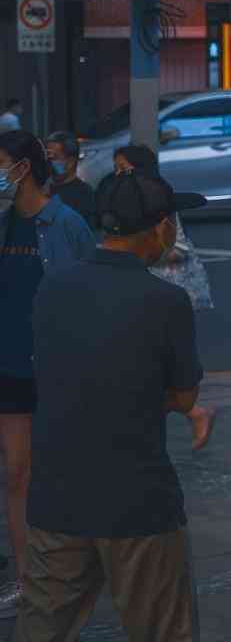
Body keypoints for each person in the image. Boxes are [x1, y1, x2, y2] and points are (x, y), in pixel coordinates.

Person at [20, 171, 204, 639]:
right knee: (162, 627)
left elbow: (56, 373)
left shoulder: (53, 288)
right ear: (160, 226)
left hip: (56, 497)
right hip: (136, 501)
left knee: (44, 627)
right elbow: (184, 396)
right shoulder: (166, 300)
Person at [0, 131, 94, 618]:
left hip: (57, 366)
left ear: (23, 168)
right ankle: (26, 578)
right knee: (16, 474)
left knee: (60, 474)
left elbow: (89, 297)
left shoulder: (66, 223)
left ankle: (69, 573)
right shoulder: (2, 220)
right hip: (8, 366)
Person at [113, 145, 218, 451]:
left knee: (158, 364)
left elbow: (178, 246)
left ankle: (192, 412)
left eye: (124, 166)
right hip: (149, 288)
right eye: (116, 166)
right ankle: (193, 413)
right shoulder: (129, 198)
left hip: (167, 288)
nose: (118, 172)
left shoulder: (156, 197)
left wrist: (139, 252)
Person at [45, 131, 96, 227]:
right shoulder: (42, 189)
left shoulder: (84, 193)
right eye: (48, 156)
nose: (49, 161)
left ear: (71, 162)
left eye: (54, 157)